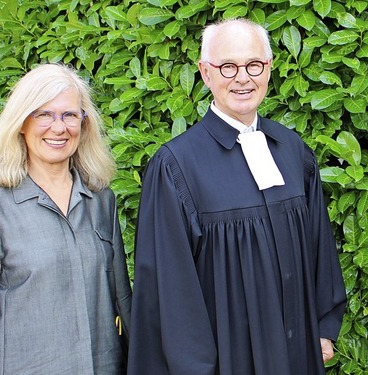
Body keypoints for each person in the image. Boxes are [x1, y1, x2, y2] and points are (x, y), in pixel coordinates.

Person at [127, 18, 346, 375]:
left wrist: (324, 327)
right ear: (205, 72)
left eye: (254, 65)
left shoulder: (292, 151)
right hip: (227, 360)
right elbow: (171, 290)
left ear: (269, 69)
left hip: (297, 355)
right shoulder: (176, 166)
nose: (243, 78)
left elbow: (318, 243)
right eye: (228, 66)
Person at [0, 63, 132, 374]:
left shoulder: (102, 201)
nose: (58, 128)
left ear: (83, 124)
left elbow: (123, 303)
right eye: (43, 114)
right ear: (21, 122)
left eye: (70, 115)